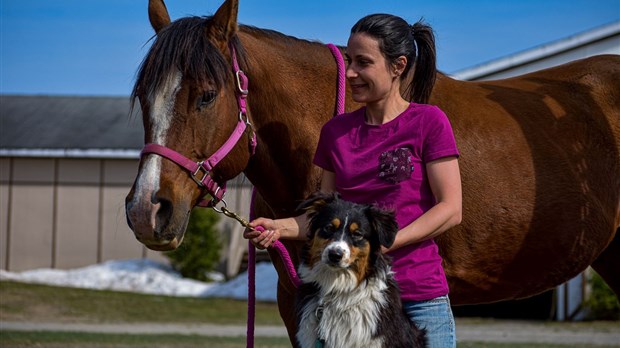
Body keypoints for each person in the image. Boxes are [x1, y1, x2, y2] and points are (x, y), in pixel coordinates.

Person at [244, 13, 462, 348]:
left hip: (417, 298)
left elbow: (450, 209)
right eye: (349, 61)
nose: (350, 73)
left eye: (363, 62)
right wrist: (278, 227)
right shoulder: (336, 132)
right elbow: (323, 216)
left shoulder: (428, 122)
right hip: (342, 306)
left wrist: (386, 241)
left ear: (398, 66)